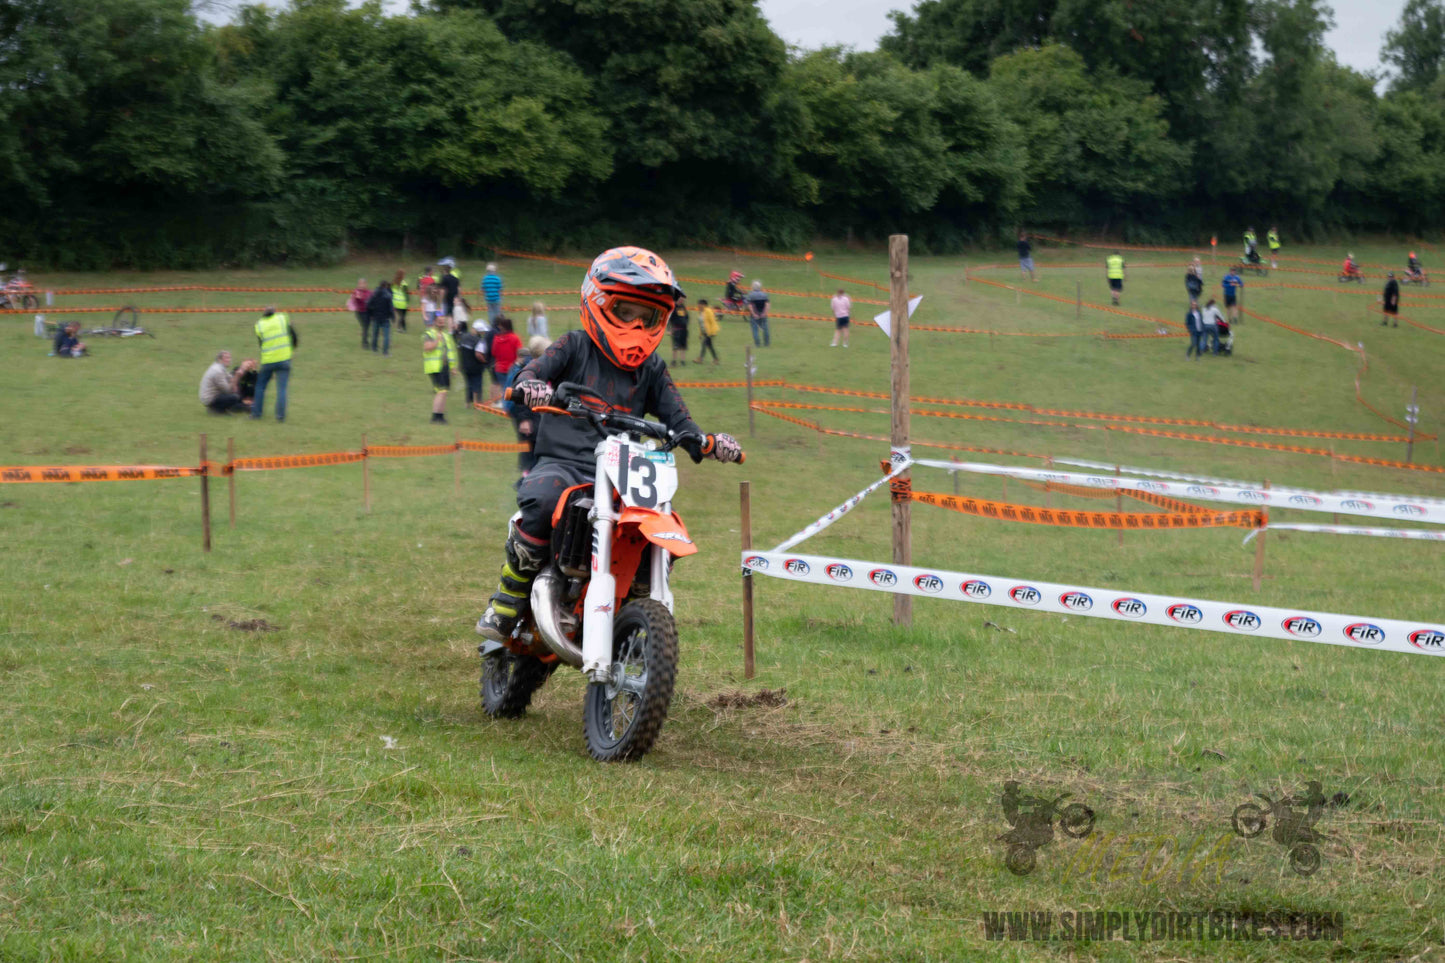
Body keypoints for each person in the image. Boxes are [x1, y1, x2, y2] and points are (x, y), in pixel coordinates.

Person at [475, 245, 743, 654]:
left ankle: (631, 613)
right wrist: (530, 384)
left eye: (648, 317)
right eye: (626, 312)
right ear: (598, 302)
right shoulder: (574, 345)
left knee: (661, 533)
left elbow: (680, 420)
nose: (636, 325)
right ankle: (508, 599)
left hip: (622, 473)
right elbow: (535, 368)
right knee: (545, 499)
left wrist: (709, 442)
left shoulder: (652, 368)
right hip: (564, 463)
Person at [251, 306, 296, 422]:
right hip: (284, 358)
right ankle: (280, 417)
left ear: (263, 314)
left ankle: (256, 414)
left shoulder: (259, 325)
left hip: (268, 360)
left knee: (260, 386)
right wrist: (292, 348)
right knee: (282, 389)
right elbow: (293, 335)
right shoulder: (282, 317)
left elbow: (261, 344)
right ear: (275, 312)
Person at [421, 313, 455, 424]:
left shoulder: (445, 335)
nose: (442, 323)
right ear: (435, 321)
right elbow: (427, 348)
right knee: (441, 391)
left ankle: (440, 416)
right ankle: (435, 416)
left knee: (444, 392)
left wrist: (452, 367)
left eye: (443, 321)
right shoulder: (429, 334)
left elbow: (449, 352)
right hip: (435, 367)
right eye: (440, 321)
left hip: (444, 367)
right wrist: (437, 341)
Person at [489, 316, 522, 402]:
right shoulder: (515, 338)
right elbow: (520, 353)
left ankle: (505, 405)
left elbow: (494, 353)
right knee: (512, 388)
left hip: (499, 368)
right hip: (512, 368)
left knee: (504, 389)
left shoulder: (496, 339)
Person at [458, 319, 488, 406]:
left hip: (464, 365)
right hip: (476, 367)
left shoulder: (463, 337)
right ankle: (476, 402)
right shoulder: (479, 341)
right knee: (476, 384)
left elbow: (459, 348)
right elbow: (479, 354)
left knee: (468, 384)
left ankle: (467, 403)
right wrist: (485, 361)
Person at [366, 280, 394, 355]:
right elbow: (390, 308)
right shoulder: (388, 295)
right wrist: (392, 317)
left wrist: (371, 313)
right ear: (385, 286)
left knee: (375, 334)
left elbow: (368, 304)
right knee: (386, 336)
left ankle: (374, 349)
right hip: (385, 318)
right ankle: (385, 352)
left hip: (375, 317)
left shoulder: (374, 294)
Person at [745, 279, 771, 347]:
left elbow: (750, 306)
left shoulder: (751, 295)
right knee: (765, 329)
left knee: (755, 330)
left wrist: (754, 314)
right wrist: (764, 313)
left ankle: (757, 344)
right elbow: (767, 305)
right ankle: (767, 343)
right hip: (763, 314)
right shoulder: (764, 295)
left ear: (753, 287)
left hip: (754, 315)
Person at [695, 298, 720, 364]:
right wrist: (700, 334)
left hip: (710, 332)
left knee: (704, 344)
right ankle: (716, 359)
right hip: (705, 332)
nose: (698, 306)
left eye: (699, 305)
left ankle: (700, 359)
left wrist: (711, 333)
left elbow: (712, 322)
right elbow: (701, 324)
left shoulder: (708, 311)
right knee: (709, 345)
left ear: (703, 305)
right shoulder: (700, 312)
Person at [348, 277, 371, 347]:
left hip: (368, 312)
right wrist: (356, 298)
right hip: (360, 312)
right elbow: (354, 300)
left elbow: (372, 300)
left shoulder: (369, 292)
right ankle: (365, 343)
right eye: (360, 284)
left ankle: (366, 340)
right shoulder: (356, 292)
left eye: (363, 284)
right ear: (358, 284)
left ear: (366, 284)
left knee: (366, 327)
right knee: (365, 327)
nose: (362, 285)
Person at [669, 295, 690, 365]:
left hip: (684, 329)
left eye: (683, 300)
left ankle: (682, 361)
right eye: (681, 299)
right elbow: (669, 319)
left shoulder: (683, 307)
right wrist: (670, 329)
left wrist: (686, 323)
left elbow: (687, 317)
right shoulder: (673, 307)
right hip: (676, 329)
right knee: (675, 346)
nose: (682, 301)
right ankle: (674, 360)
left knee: (683, 346)